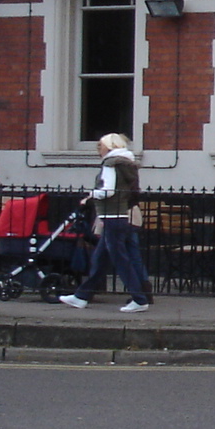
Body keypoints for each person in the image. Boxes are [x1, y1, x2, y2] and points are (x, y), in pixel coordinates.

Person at [58, 133, 151, 312]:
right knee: (100, 259)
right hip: (120, 215)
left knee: (121, 260)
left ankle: (139, 299)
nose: (98, 150)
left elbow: (108, 190)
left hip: (111, 217)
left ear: (109, 146)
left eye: (100, 146)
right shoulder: (128, 164)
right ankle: (81, 296)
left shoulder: (110, 164)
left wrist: (93, 195)